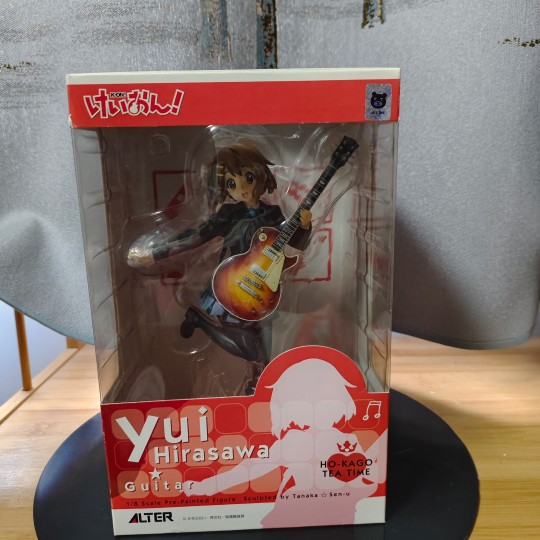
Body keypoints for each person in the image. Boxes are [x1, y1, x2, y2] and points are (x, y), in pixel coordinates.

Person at [127, 142, 312, 387]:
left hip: (266, 287)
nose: (243, 189)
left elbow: (292, 247)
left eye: (248, 178)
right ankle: (201, 321)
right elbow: (196, 237)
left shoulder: (274, 214)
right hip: (234, 283)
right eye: (232, 184)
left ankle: (258, 382)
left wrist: (305, 226)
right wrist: (155, 253)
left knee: (264, 344)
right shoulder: (229, 215)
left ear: (261, 174)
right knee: (253, 351)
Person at [183, 357, 388, 528]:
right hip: (312, 516)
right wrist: (206, 486)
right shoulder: (333, 441)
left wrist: (204, 487)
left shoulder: (339, 441)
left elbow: (248, 470)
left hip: (322, 516)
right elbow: (249, 469)